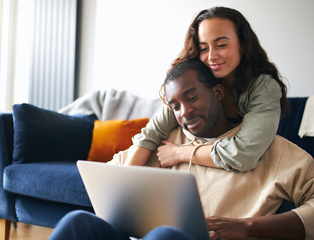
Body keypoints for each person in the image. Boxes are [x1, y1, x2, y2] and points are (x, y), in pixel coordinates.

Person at [49, 61, 313, 240]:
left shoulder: (270, 149)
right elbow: (109, 176)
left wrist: (247, 226)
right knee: (77, 222)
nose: (184, 112)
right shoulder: (164, 142)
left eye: (193, 96)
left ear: (218, 92)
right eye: (175, 106)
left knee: (165, 236)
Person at [126, 6, 288, 173]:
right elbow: (150, 136)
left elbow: (244, 154)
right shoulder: (188, 86)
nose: (211, 56)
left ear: (243, 45)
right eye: (204, 48)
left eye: (221, 45)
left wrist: (180, 152)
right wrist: (124, 180)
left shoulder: (263, 88)